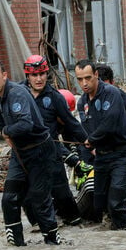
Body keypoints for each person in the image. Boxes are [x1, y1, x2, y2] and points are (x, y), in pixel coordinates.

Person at [0, 59, 60, 246]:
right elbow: (3, 127)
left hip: (40, 151)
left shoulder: (17, 94)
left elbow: (25, 125)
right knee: (9, 198)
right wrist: (4, 133)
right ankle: (17, 246)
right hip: (20, 153)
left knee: (39, 201)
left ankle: (52, 242)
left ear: (4, 76)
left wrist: (4, 133)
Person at [22, 55, 87, 226]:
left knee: (62, 193)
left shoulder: (55, 97)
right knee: (25, 193)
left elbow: (71, 124)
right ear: (27, 76)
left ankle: (74, 221)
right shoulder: (19, 93)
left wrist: (88, 142)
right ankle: (39, 226)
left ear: (47, 74)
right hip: (26, 154)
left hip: (50, 152)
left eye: (42, 74)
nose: (38, 79)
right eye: (34, 75)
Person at [75, 60, 126, 230]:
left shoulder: (112, 93)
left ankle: (125, 233)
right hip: (102, 156)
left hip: (123, 153)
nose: (84, 83)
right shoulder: (82, 102)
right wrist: (87, 145)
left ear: (96, 75)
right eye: (80, 79)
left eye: (88, 78)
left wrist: (92, 139)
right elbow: (85, 128)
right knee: (99, 202)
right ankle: (114, 233)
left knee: (116, 202)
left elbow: (109, 123)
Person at [96, 64, 126, 156]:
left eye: (106, 86)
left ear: (112, 83)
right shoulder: (86, 101)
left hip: (121, 150)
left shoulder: (122, 97)